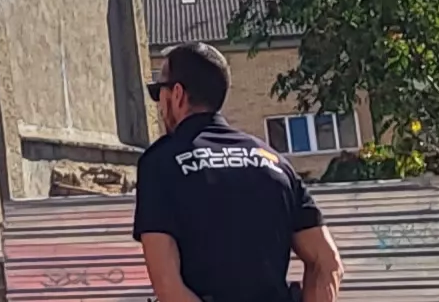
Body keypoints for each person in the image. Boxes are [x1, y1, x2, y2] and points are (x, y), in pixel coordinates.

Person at [132, 42, 341, 302]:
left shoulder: (160, 163)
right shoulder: (276, 162)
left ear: (177, 94)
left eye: (157, 92)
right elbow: (327, 263)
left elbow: (167, 285)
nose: (158, 105)